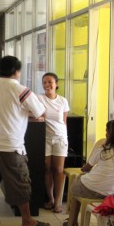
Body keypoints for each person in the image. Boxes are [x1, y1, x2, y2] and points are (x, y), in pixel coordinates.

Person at [0, 56, 50, 226]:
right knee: (20, 183)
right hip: (10, 147)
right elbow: (39, 112)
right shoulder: (21, 90)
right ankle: (27, 221)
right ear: (16, 71)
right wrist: (19, 115)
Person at [64, 119, 114, 226]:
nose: (105, 134)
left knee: (77, 181)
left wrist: (84, 171)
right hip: (109, 193)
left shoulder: (102, 150)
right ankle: (73, 221)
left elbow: (87, 168)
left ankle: (72, 221)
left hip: (90, 189)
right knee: (81, 182)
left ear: (111, 134)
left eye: (107, 131)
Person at [38, 72, 70, 214]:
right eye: (44, 82)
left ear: (56, 84)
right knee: (47, 169)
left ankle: (58, 201)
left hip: (60, 138)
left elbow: (64, 121)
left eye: (50, 82)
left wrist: (64, 137)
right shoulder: (39, 99)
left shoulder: (63, 101)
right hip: (45, 138)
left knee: (58, 170)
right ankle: (50, 199)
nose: (47, 85)